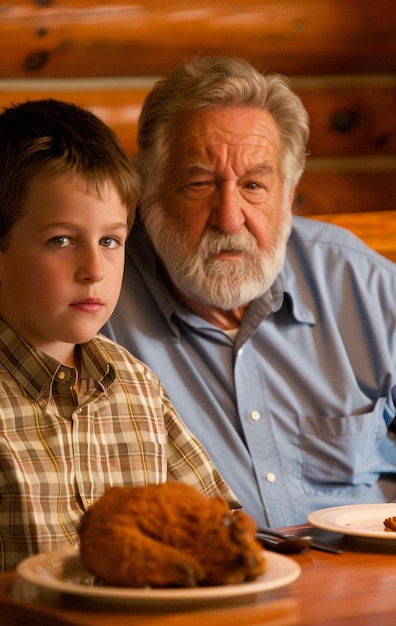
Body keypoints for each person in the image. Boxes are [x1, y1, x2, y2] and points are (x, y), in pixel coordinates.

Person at [104, 55, 396, 528]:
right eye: (199, 183)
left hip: (376, 584)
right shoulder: (98, 305)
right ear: (149, 194)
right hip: (204, 591)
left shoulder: (370, 291)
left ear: (288, 197)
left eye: (254, 186)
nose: (229, 218)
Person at [0, 98, 239, 572]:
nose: (94, 270)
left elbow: (218, 523)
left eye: (110, 241)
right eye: (60, 241)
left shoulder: (136, 385)